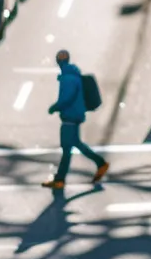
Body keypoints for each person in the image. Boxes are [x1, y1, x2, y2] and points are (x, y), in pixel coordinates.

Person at [43, 50, 109, 189]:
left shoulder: (67, 78)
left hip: (70, 117)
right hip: (76, 115)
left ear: (59, 62)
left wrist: (54, 107)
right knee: (75, 145)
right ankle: (100, 164)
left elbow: (66, 98)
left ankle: (60, 180)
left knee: (67, 148)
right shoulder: (74, 75)